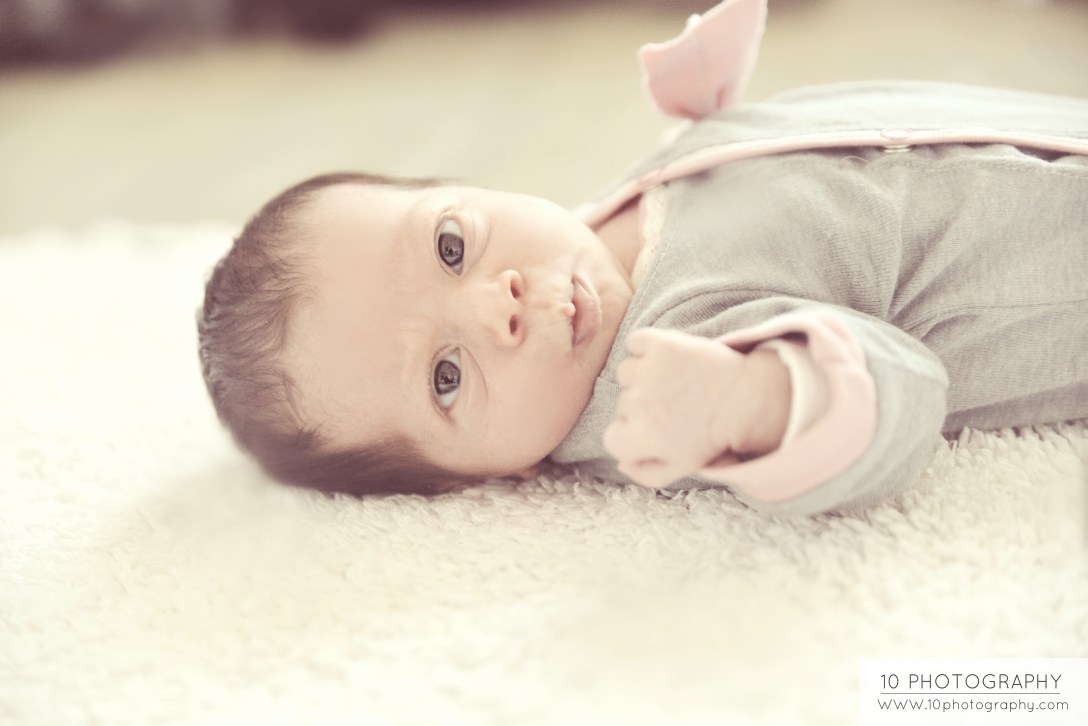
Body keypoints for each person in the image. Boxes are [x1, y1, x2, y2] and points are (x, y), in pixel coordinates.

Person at [198, 0, 1088, 516]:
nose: (494, 305)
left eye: (450, 246)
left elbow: (763, 207)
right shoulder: (663, 385)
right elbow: (897, 396)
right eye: (446, 377)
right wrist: (754, 402)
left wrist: (711, 122)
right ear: (485, 477)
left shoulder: (599, 225)